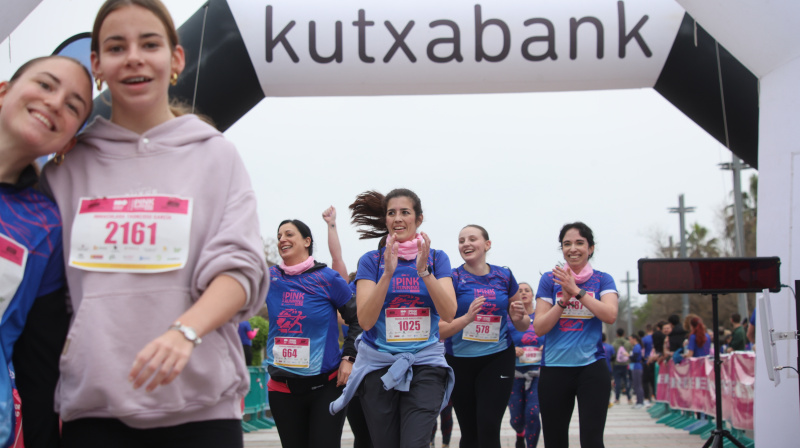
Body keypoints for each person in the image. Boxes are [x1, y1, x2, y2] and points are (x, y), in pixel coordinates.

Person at [40, 1, 270, 446]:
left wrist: (184, 332)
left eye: (149, 43)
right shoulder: (65, 169)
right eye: (115, 46)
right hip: (94, 413)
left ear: (176, 59)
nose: (133, 57)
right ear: (97, 65)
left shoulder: (215, 155)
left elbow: (240, 268)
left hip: (202, 414)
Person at [0, 55, 93, 448]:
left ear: (67, 142)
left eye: (73, 106)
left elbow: (39, 375)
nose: (55, 103)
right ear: (3, 92)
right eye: (45, 85)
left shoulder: (46, 227)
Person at [329, 188, 457, 448]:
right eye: (392, 213)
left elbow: (449, 313)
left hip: (425, 364)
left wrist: (424, 272)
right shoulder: (371, 262)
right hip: (378, 367)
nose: (398, 218)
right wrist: (387, 274)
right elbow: (364, 321)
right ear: (386, 220)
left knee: (414, 443)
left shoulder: (436, 258)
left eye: (405, 212)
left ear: (418, 219)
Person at [265, 219, 361, 448]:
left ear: (307, 241)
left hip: (325, 387)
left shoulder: (327, 278)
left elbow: (358, 320)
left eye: (289, 234)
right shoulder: (268, 278)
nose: (282, 240)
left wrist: (349, 358)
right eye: (279, 236)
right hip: (282, 388)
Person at [439, 224, 528, 448]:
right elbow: (441, 326)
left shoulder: (504, 276)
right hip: (460, 360)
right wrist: (467, 318)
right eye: (461, 241)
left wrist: (518, 316)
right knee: (470, 432)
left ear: (487, 245)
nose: (466, 244)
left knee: (488, 427)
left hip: (497, 358)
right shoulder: (453, 278)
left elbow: (523, 323)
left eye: (472, 239)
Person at [533, 222, 618, 448]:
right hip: (554, 369)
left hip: (592, 368)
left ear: (590, 248)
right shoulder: (549, 280)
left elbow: (610, 315)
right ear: (561, 249)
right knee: (555, 441)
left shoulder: (603, 279)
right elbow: (539, 327)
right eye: (567, 244)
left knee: (592, 440)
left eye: (580, 243)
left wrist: (577, 292)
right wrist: (563, 300)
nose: (573, 249)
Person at [322, 206, 373, 448]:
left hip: (378, 366)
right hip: (352, 370)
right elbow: (337, 260)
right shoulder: (348, 295)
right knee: (361, 434)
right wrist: (332, 225)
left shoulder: (380, 289)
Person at [506, 282, 543, 448]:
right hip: (514, 374)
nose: (523, 293)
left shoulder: (542, 317)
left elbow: (553, 335)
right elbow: (499, 341)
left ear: (533, 295)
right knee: (516, 418)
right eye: (519, 291)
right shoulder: (508, 319)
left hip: (538, 373)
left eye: (527, 290)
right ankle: (520, 434)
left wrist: (546, 346)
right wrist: (512, 350)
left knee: (533, 413)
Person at [611, 328, 632, 405]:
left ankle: (617, 399)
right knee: (627, 381)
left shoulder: (614, 344)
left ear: (617, 334)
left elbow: (612, 355)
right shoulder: (628, 343)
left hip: (616, 365)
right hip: (626, 365)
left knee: (617, 382)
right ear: (624, 334)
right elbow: (630, 353)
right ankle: (629, 399)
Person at [628, 334, 645, 409]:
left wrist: (628, 356)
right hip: (634, 367)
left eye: (630, 339)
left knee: (638, 385)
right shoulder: (635, 347)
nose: (629, 341)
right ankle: (638, 401)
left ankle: (640, 402)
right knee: (635, 385)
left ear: (634, 339)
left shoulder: (637, 346)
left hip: (637, 367)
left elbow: (635, 357)